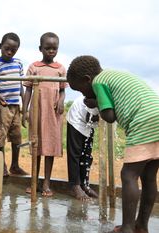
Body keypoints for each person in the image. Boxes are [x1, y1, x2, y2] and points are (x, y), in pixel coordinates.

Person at [67, 55, 159, 233]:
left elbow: (109, 117)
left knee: (128, 175)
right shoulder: (111, 74)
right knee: (149, 177)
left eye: (81, 90)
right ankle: (141, 226)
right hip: (156, 113)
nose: (84, 94)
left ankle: (127, 228)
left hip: (143, 121)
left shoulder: (98, 82)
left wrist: (97, 103)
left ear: (87, 80)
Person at [22, 32, 67, 197]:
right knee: (36, 145)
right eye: (47, 48)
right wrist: (24, 110)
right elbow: (27, 89)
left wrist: (61, 101)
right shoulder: (34, 67)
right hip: (37, 110)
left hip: (53, 113)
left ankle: (46, 183)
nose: (51, 51)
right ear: (40, 48)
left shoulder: (60, 69)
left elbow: (62, 91)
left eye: (54, 48)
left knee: (49, 147)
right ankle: (34, 180)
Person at [0, 32, 27, 177]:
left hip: (16, 105)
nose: (10, 52)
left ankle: (15, 165)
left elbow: (21, 85)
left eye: (13, 50)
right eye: (7, 49)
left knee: (16, 135)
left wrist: (24, 104)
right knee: (1, 135)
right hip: (2, 106)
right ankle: (2, 165)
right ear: (0, 46)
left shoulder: (18, 64)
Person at [66, 96, 99, 201]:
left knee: (87, 155)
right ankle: (75, 186)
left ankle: (84, 185)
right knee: (75, 153)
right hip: (77, 118)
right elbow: (88, 116)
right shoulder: (96, 96)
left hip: (89, 123)